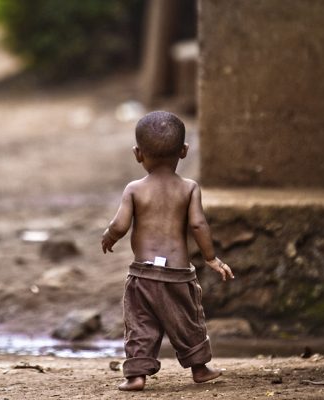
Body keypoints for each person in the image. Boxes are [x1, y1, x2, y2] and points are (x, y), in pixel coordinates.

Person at [101, 110, 234, 391]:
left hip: (143, 274)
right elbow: (198, 224)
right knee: (187, 321)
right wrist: (211, 257)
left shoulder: (134, 189)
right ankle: (200, 368)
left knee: (139, 325)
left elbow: (120, 224)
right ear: (184, 151)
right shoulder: (188, 188)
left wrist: (109, 236)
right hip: (178, 275)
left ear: (138, 154)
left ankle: (136, 375)